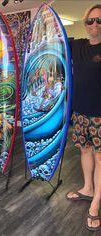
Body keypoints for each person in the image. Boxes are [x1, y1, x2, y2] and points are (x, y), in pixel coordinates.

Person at [65, 5, 101, 232]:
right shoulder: (76, 45)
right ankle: (88, 188)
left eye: (100, 21)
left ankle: (96, 202)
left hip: (100, 115)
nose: (95, 25)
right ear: (85, 21)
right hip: (80, 112)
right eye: (92, 20)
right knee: (85, 150)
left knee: (100, 157)